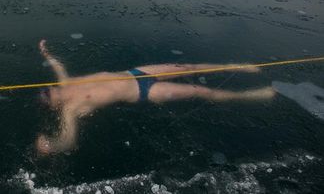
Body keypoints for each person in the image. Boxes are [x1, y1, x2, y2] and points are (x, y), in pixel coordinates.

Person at [36, 40, 276, 155]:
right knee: (199, 91)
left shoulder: (65, 83)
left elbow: (57, 65)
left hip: (137, 72)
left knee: (186, 66)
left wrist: (46, 52)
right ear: (55, 105)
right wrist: (51, 146)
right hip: (143, 92)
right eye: (48, 97)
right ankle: (249, 95)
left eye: (47, 90)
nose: (50, 92)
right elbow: (68, 139)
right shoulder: (71, 110)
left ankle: (233, 67)